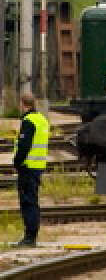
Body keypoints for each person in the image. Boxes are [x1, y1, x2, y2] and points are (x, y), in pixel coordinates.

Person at [12, 91, 49, 248]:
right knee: (32, 200)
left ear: (23, 104)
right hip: (37, 166)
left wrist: (17, 162)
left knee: (27, 201)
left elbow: (24, 146)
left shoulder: (28, 121)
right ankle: (32, 234)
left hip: (27, 166)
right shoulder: (42, 120)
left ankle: (29, 237)